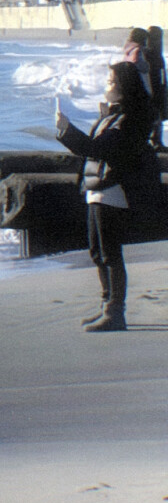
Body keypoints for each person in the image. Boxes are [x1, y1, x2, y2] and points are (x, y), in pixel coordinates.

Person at [55, 60, 160, 331]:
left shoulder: (129, 120)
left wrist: (65, 130)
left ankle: (116, 312)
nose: (107, 85)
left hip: (112, 191)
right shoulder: (115, 115)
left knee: (110, 253)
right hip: (97, 189)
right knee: (97, 251)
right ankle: (107, 307)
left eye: (112, 81)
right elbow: (97, 148)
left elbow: (97, 149)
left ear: (125, 87)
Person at [146, 25, 167, 147]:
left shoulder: (153, 55)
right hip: (156, 90)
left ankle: (156, 140)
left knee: (155, 116)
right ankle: (155, 140)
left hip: (156, 89)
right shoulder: (155, 55)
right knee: (155, 116)